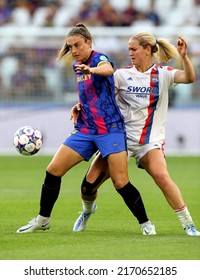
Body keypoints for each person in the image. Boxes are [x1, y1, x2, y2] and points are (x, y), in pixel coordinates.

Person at [16, 23, 155, 235]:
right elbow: (91, 93)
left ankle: (146, 224)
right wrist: (79, 106)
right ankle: (43, 220)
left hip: (110, 129)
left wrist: (91, 69)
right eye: (70, 46)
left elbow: (108, 70)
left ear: (88, 42)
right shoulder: (77, 66)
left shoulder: (98, 59)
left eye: (77, 45)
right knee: (53, 170)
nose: (73, 50)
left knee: (120, 181)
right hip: (86, 129)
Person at [71, 32, 200, 236]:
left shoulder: (163, 74)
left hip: (150, 141)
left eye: (134, 49)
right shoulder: (122, 75)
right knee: (88, 186)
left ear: (147, 49)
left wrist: (184, 57)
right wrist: (80, 105)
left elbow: (189, 77)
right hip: (120, 139)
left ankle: (188, 224)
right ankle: (87, 212)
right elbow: (101, 98)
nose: (130, 53)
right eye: (129, 49)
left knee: (161, 176)